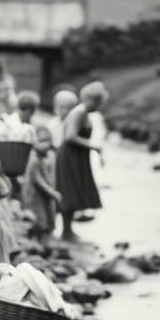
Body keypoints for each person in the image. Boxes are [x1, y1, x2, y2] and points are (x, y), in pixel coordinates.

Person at [55, 81, 107, 242]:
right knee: (69, 192)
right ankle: (66, 231)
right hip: (70, 156)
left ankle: (68, 229)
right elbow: (70, 136)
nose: (99, 106)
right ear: (91, 100)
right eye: (98, 102)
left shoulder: (84, 113)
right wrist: (94, 147)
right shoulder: (79, 112)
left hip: (77, 156)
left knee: (74, 191)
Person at [21, 124, 61, 249]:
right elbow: (37, 180)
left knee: (47, 220)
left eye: (48, 142)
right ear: (34, 142)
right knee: (39, 222)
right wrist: (52, 192)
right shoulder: (34, 160)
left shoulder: (45, 158)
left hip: (43, 198)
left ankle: (42, 245)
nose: (45, 145)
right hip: (35, 198)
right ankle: (36, 245)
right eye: (42, 141)